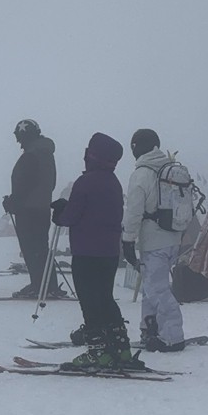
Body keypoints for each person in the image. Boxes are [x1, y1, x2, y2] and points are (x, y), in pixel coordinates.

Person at [50, 132, 143, 371]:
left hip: (86, 253)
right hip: (109, 253)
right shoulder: (114, 183)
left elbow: (71, 217)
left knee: (89, 301)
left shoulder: (85, 182)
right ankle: (121, 347)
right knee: (105, 298)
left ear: (92, 156)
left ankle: (98, 351)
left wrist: (60, 212)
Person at [121, 128, 187, 352]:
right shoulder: (169, 170)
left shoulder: (142, 174)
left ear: (136, 147)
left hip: (153, 240)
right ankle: (150, 327)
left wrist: (127, 241)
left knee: (157, 289)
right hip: (173, 238)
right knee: (151, 286)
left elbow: (133, 212)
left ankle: (172, 336)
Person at [1, 119, 64, 298]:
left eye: (19, 137)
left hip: (28, 210)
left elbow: (24, 184)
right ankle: (46, 284)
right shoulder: (46, 154)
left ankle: (40, 286)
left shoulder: (31, 155)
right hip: (41, 208)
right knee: (41, 248)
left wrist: (13, 202)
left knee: (31, 249)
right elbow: (50, 182)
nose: (18, 143)